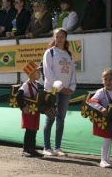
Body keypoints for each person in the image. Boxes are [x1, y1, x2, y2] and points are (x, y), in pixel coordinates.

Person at [42, 28, 76, 156]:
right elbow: (48, 73)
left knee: (61, 118)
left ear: (65, 38)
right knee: (50, 118)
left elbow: (72, 73)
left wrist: (71, 88)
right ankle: (47, 147)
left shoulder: (69, 54)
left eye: (62, 36)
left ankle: (57, 148)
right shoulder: (49, 52)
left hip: (66, 91)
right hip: (52, 90)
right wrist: (60, 87)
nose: (60, 38)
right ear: (54, 38)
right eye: (57, 36)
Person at [88, 69, 112, 168]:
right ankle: (103, 160)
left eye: (111, 79)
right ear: (102, 81)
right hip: (104, 120)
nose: (108, 82)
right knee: (107, 139)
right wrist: (101, 108)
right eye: (105, 79)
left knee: (110, 139)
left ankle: (107, 160)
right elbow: (91, 101)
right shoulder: (101, 92)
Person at [16, 61, 43, 158]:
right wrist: (23, 106)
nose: (39, 73)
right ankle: (26, 149)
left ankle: (32, 149)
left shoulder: (36, 84)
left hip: (35, 111)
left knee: (34, 129)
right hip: (28, 110)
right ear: (31, 73)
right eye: (37, 72)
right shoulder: (26, 85)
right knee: (29, 130)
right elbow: (18, 96)